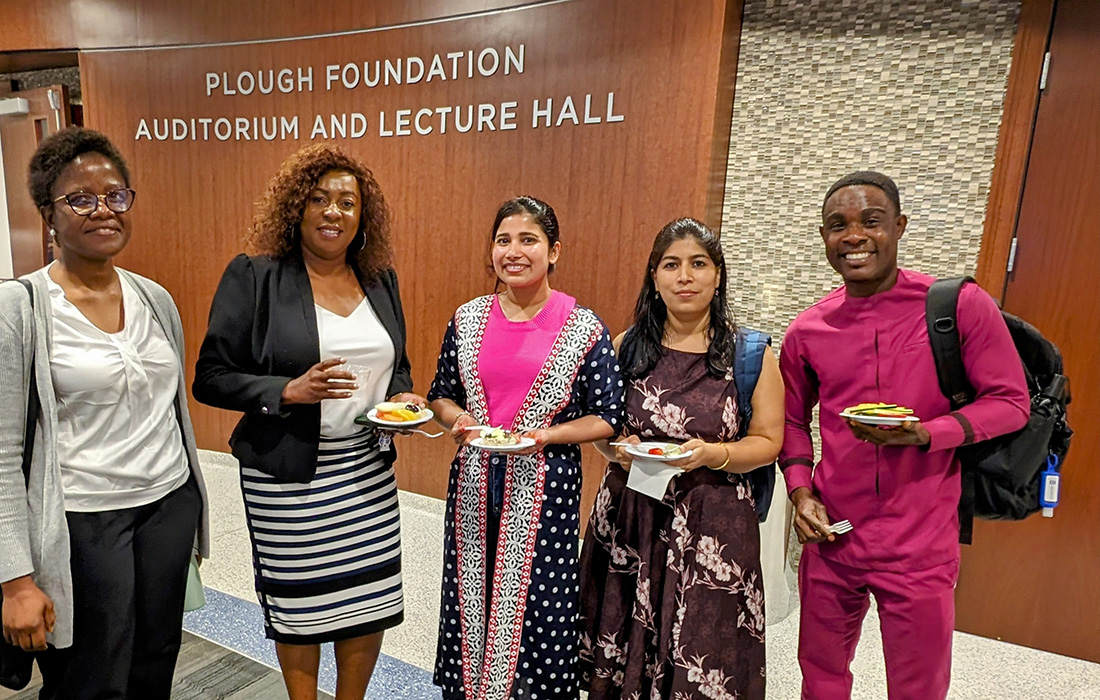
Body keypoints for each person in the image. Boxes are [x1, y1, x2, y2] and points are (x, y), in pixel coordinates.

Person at [779, 171, 1031, 700]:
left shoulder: (956, 307)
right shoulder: (808, 330)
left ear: (899, 226)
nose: (854, 236)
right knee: (821, 678)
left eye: (871, 222)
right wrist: (801, 492)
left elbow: (1010, 403)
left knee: (918, 687)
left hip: (919, 538)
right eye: (837, 225)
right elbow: (794, 421)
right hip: (834, 534)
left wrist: (927, 435)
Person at [193, 143, 423, 700]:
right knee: (300, 605)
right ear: (296, 207)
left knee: (370, 602)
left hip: (366, 471)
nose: (333, 211)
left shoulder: (379, 279)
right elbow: (210, 376)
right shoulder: (256, 277)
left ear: (362, 216)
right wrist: (287, 390)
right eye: (319, 198)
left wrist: (404, 400)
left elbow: (397, 367)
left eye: (347, 201)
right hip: (287, 476)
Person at [0, 127, 209, 700]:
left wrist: (189, 508)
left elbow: (169, 411)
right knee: (91, 681)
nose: (103, 210)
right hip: (83, 522)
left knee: (154, 664)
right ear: (48, 212)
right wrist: (15, 580)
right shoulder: (20, 308)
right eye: (80, 199)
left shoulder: (154, 297)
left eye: (116, 195)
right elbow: (0, 456)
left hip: (167, 506)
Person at [577, 218, 783, 700]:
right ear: (654, 276)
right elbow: (603, 429)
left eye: (698, 264)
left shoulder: (750, 352)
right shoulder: (628, 346)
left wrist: (715, 453)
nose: (684, 277)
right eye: (671, 265)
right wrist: (617, 451)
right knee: (626, 644)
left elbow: (769, 440)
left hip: (715, 529)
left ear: (717, 276)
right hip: (633, 518)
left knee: (704, 653)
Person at [427, 196, 624, 700]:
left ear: (554, 251)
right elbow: (441, 394)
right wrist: (461, 419)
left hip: (545, 487)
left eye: (528, 240)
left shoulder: (583, 327)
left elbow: (607, 416)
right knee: (472, 596)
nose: (513, 252)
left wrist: (547, 435)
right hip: (474, 482)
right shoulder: (467, 318)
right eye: (503, 240)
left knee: (539, 604)